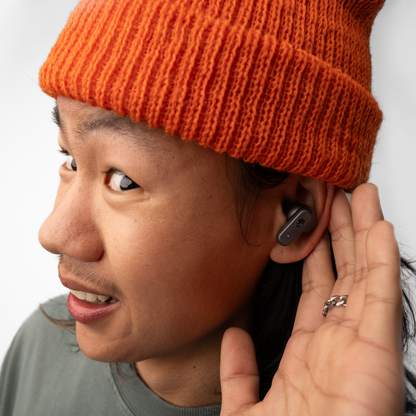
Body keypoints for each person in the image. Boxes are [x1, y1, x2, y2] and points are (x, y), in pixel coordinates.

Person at [1, 0, 415, 415]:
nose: (54, 233)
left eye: (124, 180)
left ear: (295, 211)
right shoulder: (38, 350)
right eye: (71, 160)